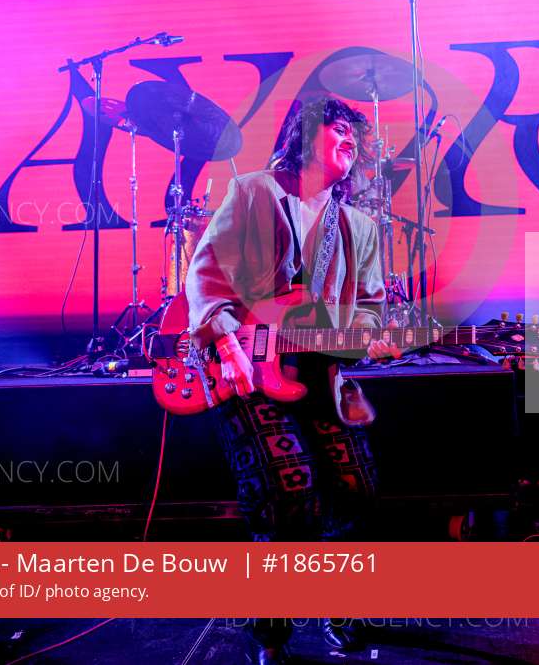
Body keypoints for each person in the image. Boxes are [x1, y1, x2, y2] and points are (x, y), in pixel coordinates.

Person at [184, 91, 401, 664]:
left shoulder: (359, 227)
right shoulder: (254, 192)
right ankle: (271, 632)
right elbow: (205, 276)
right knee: (289, 490)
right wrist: (225, 340)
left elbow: (371, 308)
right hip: (247, 370)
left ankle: (340, 605)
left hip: (321, 374)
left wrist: (369, 337)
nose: (349, 138)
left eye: (354, 132)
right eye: (336, 127)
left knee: (357, 487)